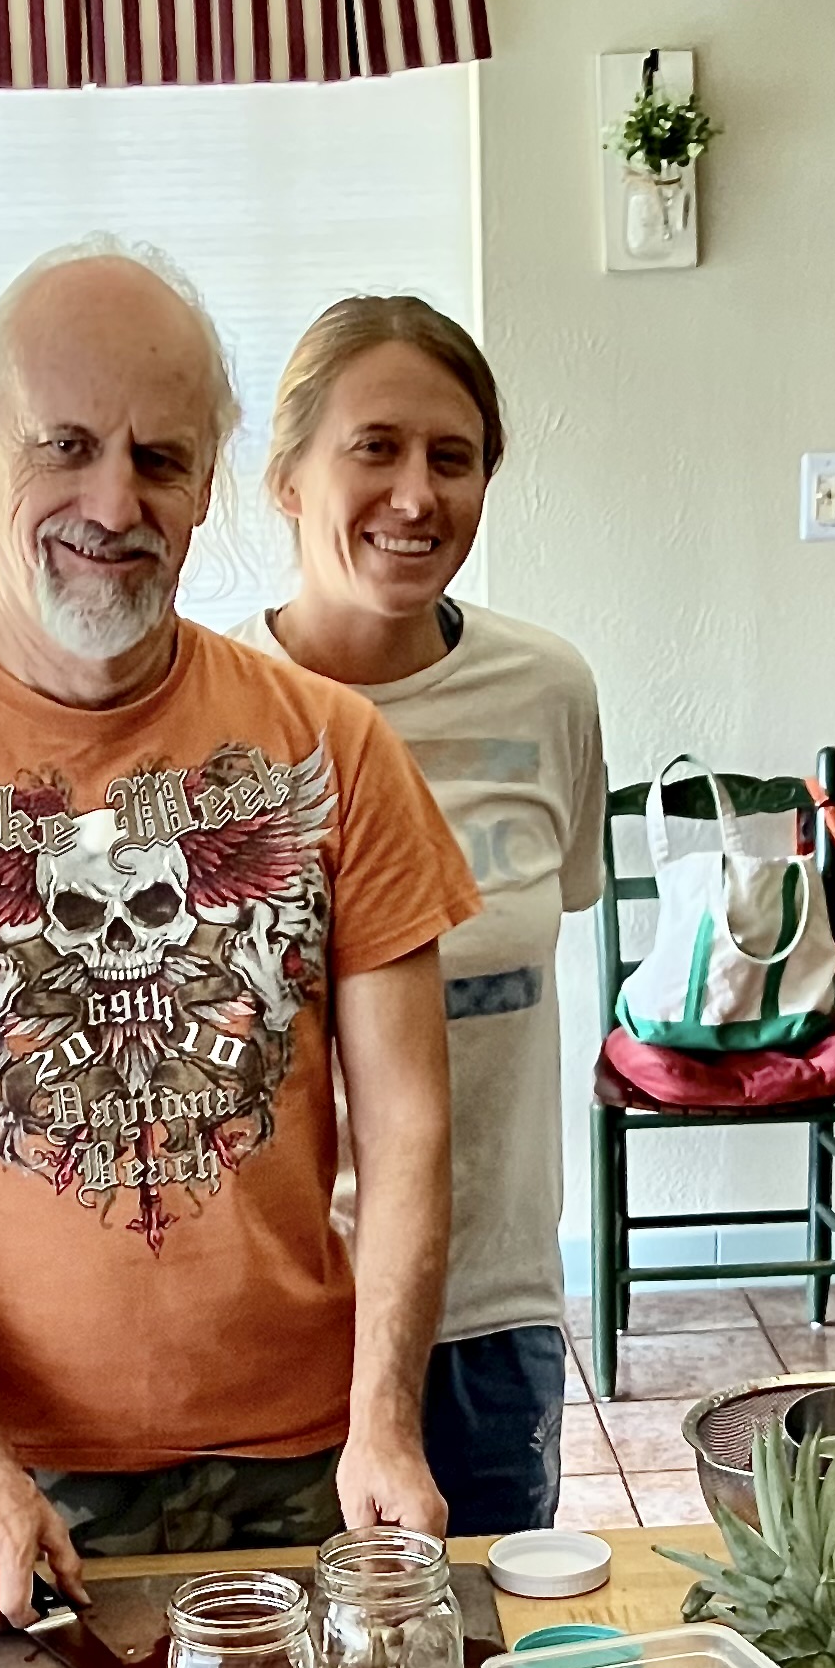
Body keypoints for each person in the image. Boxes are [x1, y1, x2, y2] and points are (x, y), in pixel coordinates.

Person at [0, 237, 478, 1627]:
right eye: (65, 447)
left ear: (208, 484)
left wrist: (384, 1421)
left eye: (159, 459)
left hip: (306, 1451)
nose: (114, 504)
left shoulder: (334, 750)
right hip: (13, 1476)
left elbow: (409, 1124)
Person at [234, 297, 604, 1531]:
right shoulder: (208, 719)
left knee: (481, 1635)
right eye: (375, 448)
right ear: (287, 478)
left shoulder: (545, 690)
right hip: (277, 1320)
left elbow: (549, 920)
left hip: (491, 1309)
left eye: (454, 457)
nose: (415, 494)